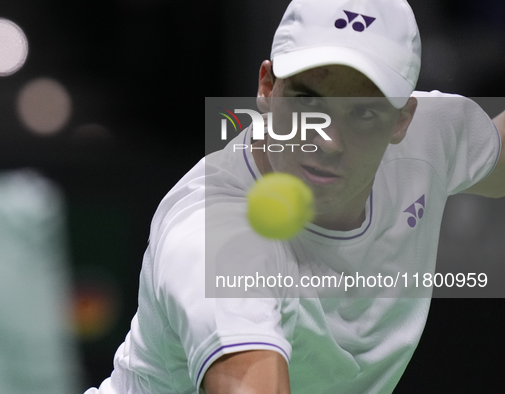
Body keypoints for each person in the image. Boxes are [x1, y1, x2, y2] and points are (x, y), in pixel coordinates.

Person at [85, 0, 505, 393]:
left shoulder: (430, 139)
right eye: (308, 99)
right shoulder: (215, 238)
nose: (327, 140)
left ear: (402, 122)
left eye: (363, 112)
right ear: (267, 87)